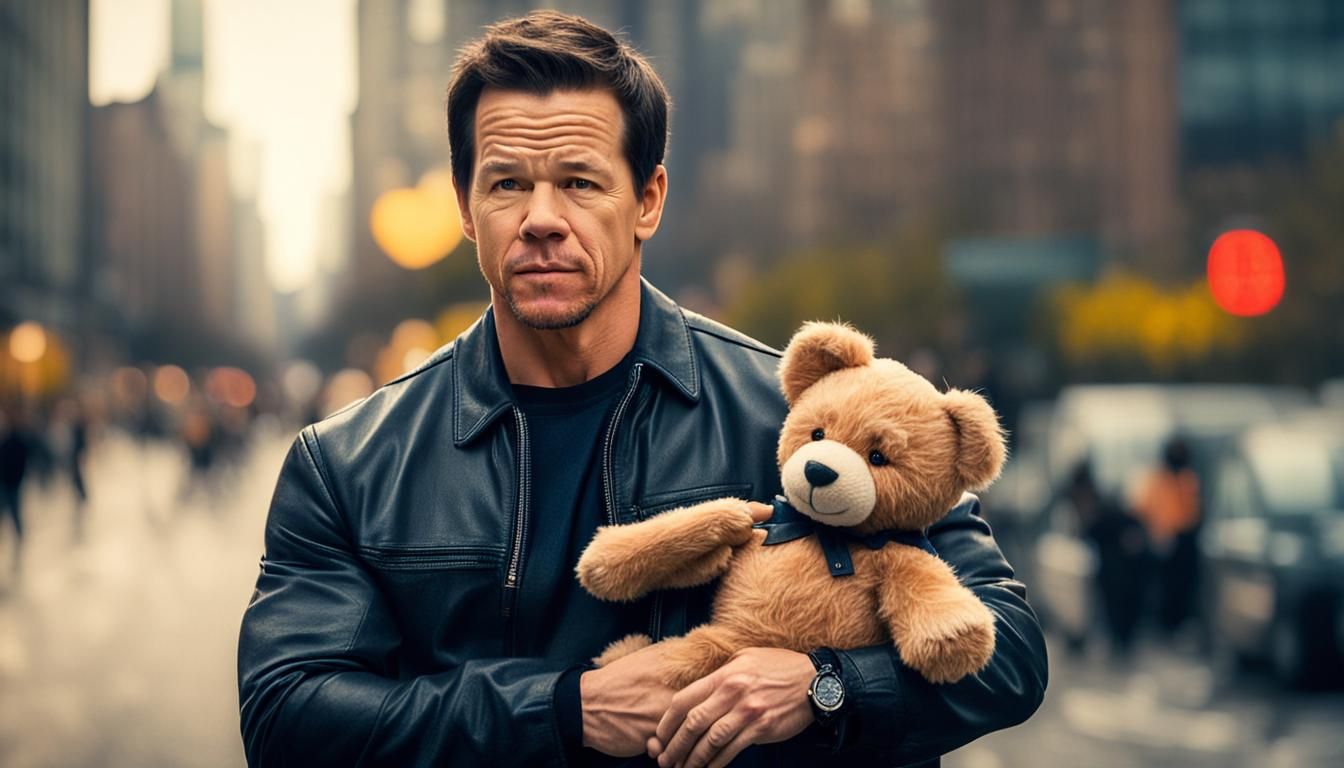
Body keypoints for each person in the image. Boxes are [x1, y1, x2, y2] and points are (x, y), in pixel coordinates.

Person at [237, 11, 1046, 767]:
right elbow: (286, 713)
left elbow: (1009, 650)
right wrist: (561, 709)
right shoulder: (347, 462)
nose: (542, 218)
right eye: (507, 183)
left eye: (581, 184)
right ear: (464, 207)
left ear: (646, 201)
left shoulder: (806, 418)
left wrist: (824, 686)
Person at [1133, 435, 1201, 636]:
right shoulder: (1156, 479)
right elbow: (1143, 509)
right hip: (1161, 541)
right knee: (1162, 588)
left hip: (1184, 540)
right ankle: (1162, 625)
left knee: (1182, 586)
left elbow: (1193, 511)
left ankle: (1178, 623)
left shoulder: (1188, 479)